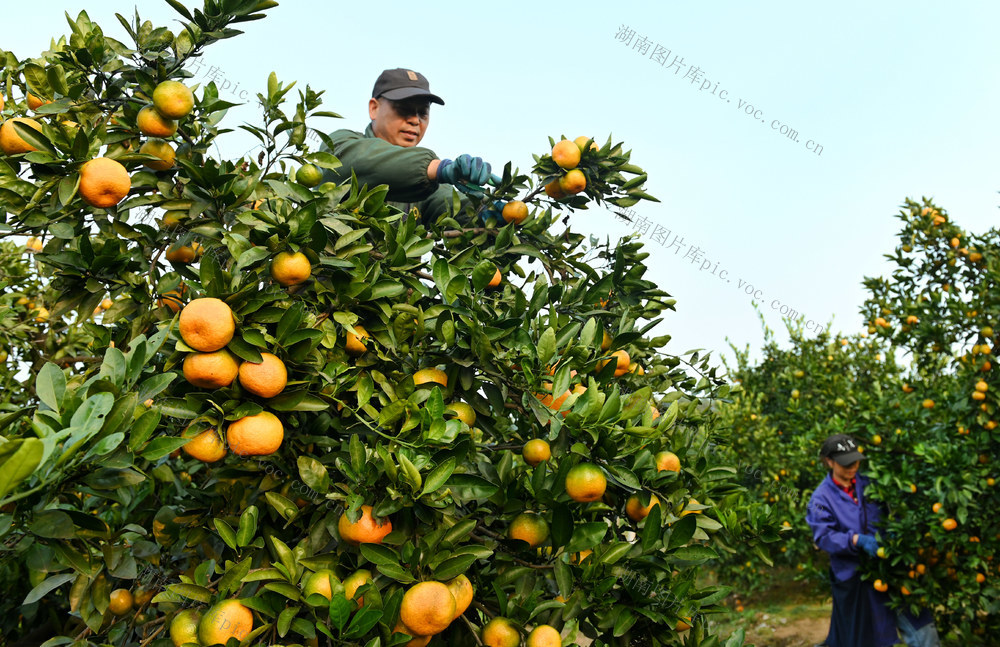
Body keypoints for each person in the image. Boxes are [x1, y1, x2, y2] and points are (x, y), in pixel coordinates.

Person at [806, 434, 940, 647]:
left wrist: (896, 530)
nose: (852, 467)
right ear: (829, 462)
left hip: (892, 568)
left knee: (923, 630)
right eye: (846, 463)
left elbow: (891, 511)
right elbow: (824, 537)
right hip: (857, 578)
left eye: (856, 461)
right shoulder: (821, 499)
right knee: (868, 638)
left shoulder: (871, 484)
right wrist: (856, 540)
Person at [321, 68, 499, 224]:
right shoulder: (340, 142)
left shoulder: (427, 184)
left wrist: (486, 212)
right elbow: (360, 162)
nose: (415, 120)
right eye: (404, 109)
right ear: (374, 108)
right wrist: (438, 168)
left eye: (423, 113)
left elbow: (449, 205)